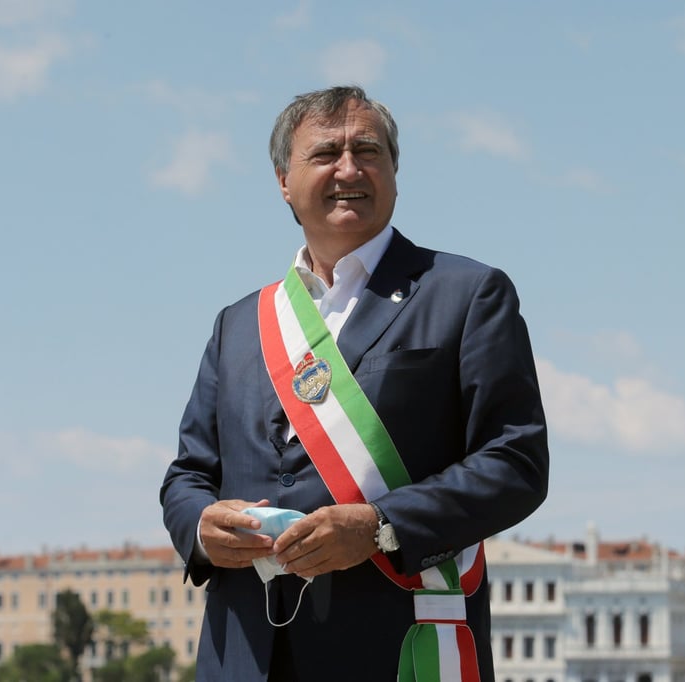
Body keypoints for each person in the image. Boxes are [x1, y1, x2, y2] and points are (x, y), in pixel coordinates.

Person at [160, 85, 549, 681]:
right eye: (325, 154)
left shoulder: (466, 294)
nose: (349, 168)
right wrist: (201, 529)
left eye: (368, 150)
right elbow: (189, 474)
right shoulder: (238, 324)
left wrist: (379, 526)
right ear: (283, 180)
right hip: (241, 654)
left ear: (395, 171)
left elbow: (516, 462)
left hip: (396, 646)